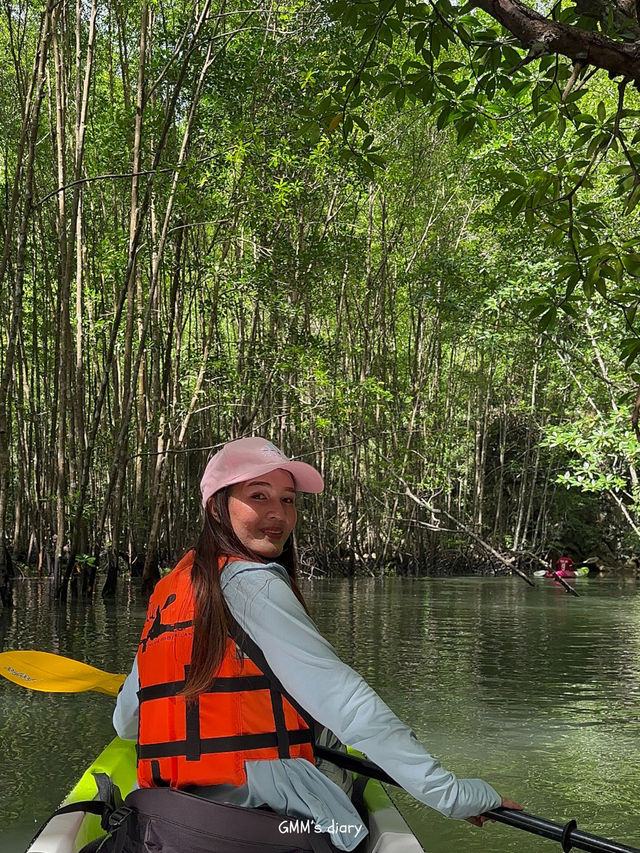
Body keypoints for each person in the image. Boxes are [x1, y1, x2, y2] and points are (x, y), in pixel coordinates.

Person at [114, 437, 521, 851]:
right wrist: (448, 794)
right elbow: (348, 705)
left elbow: (127, 724)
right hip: (273, 828)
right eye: (258, 496)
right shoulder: (252, 584)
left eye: (288, 500)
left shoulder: (169, 595)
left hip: (167, 821)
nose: (278, 513)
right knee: (345, 820)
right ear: (217, 506)